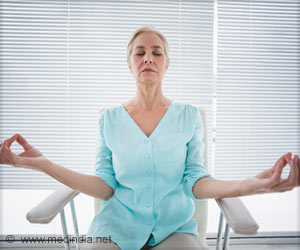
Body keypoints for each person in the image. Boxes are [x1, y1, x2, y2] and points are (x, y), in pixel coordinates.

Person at [0, 26, 299, 250]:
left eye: (157, 52)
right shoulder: (109, 120)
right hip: (114, 229)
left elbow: (195, 181)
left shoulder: (189, 117)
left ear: (167, 64)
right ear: (128, 63)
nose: (148, 58)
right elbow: (104, 188)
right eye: (139, 52)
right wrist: (44, 164)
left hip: (175, 230)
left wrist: (253, 185)